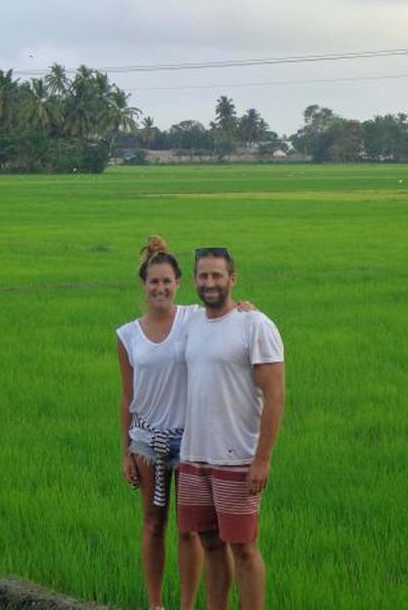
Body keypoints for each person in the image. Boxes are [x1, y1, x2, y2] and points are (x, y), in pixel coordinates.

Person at [177, 247, 285, 610]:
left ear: (232, 279)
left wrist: (262, 459)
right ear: (194, 281)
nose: (210, 283)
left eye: (217, 276)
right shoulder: (190, 321)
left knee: (243, 547)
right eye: (203, 276)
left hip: (237, 457)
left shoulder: (255, 325)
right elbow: (155, 299)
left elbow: (275, 396)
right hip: (195, 455)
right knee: (209, 542)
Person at [116, 236, 203, 610]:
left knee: (189, 528)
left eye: (167, 281)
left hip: (190, 440)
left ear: (178, 283)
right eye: (154, 281)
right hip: (146, 442)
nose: (161, 288)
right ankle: (156, 605)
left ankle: (186, 605)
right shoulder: (127, 335)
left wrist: (246, 308)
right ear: (144, 284)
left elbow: (229, 315)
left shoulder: (194, 319)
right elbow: (127, 396)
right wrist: (125, 452)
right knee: (153, 524)